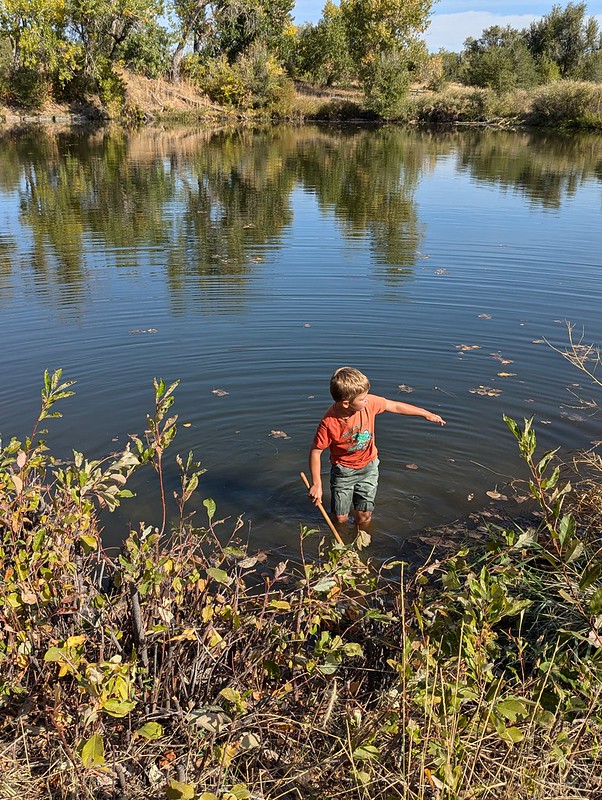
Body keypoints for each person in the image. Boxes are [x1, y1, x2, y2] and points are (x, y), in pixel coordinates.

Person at [308, 366, 446, 528]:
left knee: (364, 515)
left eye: (366, 396)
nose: (366, 400)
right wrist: (317, 484)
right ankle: (342, 542)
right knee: (340, 519)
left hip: (369, 467)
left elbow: (394, 406)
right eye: (362, 399)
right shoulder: (329, 423)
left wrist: (425, 413)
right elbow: (316, 452)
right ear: (346, 403)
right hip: (343, 472)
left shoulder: (369, 403)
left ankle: (362, 537)